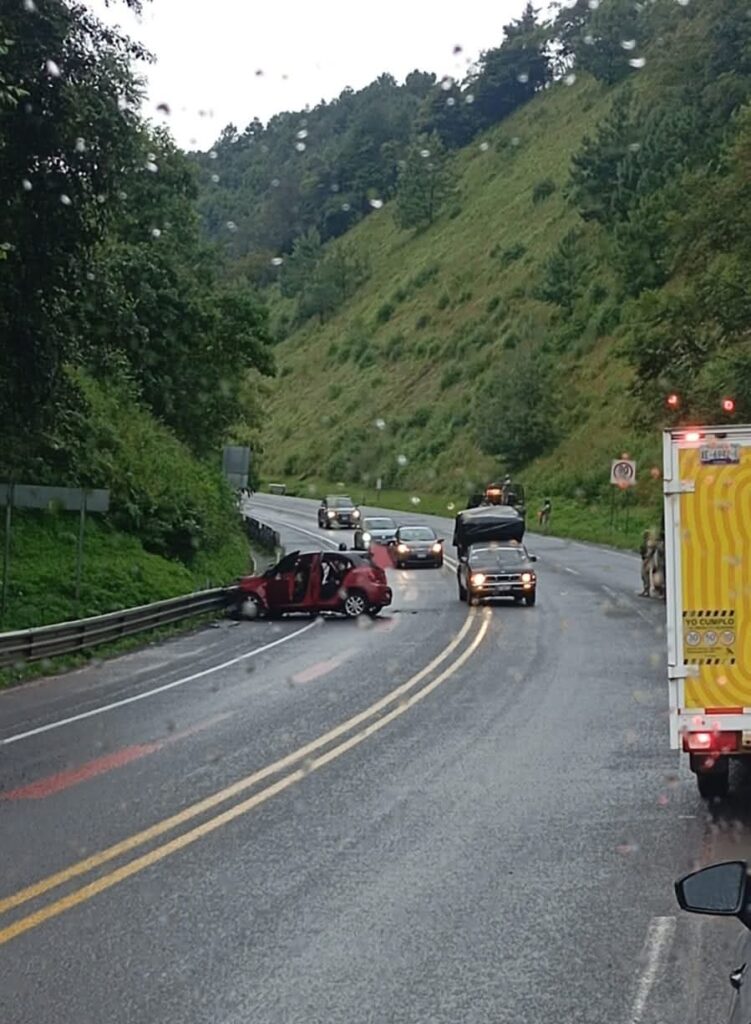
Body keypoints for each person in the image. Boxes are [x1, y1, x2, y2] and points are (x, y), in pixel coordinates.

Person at [640, 529, 655, 597]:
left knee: (645, 575)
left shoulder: (649, 542)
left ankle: (647, 590)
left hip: (648, 560)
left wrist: (646, 560)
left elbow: (650, 552)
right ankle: (646, 590)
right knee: (644, 576)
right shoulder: (646, 542)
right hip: (646, 559)